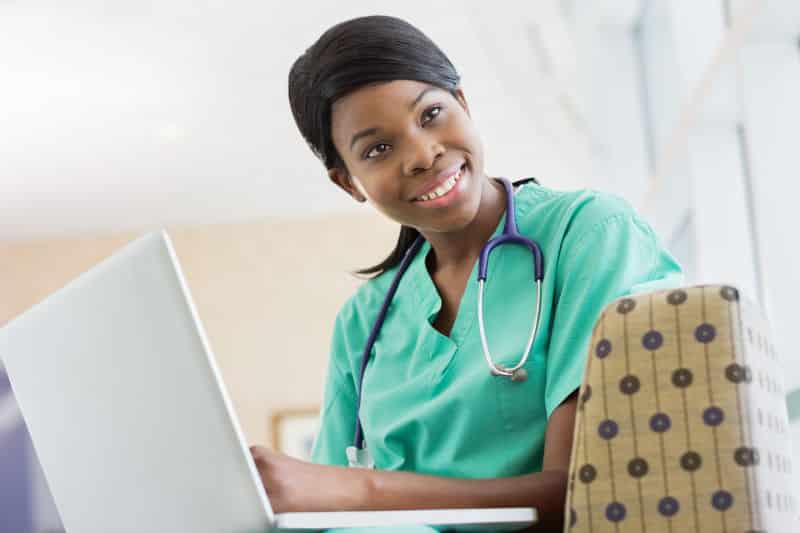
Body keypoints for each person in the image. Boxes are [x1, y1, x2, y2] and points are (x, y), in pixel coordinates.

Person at [248, 15, 683, 531]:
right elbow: (322, 511)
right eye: (378, 149)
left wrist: (361, 489)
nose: (423, 154)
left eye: (431, 113)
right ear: (349, 182)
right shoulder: (362, 324)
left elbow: (586, 489)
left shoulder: (589, 235)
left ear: (464, 104)